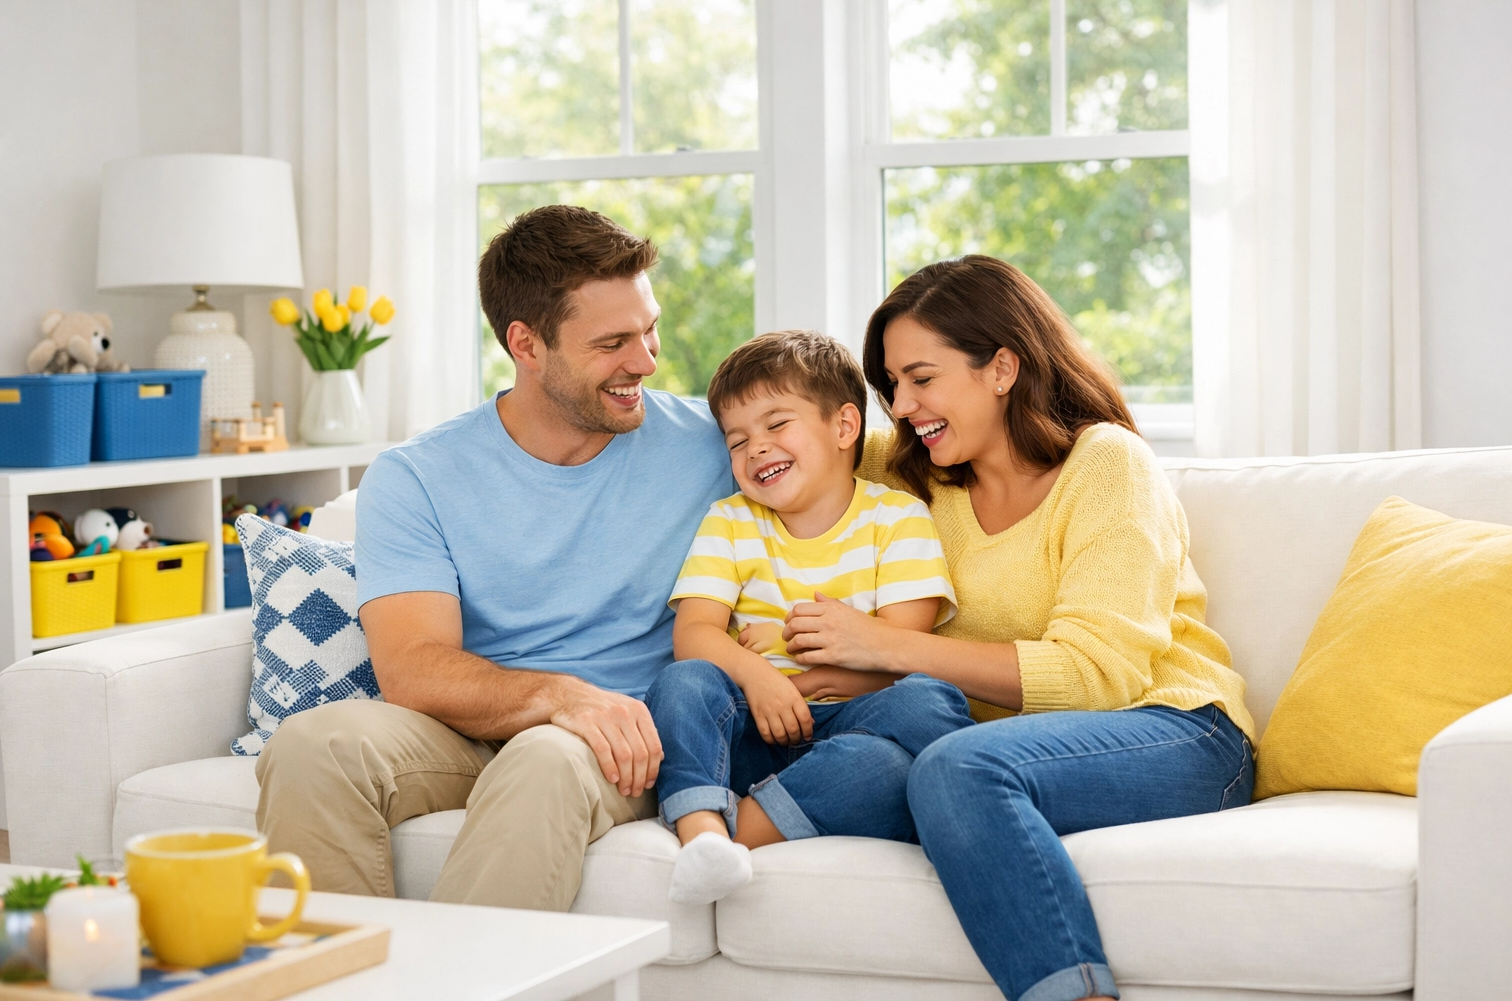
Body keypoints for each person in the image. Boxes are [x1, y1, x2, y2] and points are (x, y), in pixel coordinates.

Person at [778, 255, 1257, 1001]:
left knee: (957, 769)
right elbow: (775, 429)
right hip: (1006, 748)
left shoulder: (1107, 465)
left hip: (1178, 731)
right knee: (879, 763)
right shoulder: (906, 475)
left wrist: (886, 646)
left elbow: (1097, 677)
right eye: (891, 385)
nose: (901, 405)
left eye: (921, 378)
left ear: (1002, 367)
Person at [254, 205, 735, 910]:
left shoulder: (714, 446)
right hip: (469, 730)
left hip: (621, 735)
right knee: (311, 745)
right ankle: (334, 968)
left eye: (649, 329)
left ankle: (465, 970)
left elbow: (837, 465)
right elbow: (411, 667)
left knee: (547, 756)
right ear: (526, 344)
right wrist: (557, 696)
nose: (645, 360)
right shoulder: (418, 475)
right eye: (613, 342)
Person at [645, 330, 972, 905]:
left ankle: (738, 833)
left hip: (853, 724)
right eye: (737, 440)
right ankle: (701, 833)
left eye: (776, 424)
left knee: (926, 705)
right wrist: (759, 680)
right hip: (750, 727)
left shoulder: (898, 519)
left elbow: (903, 657)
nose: (756, 449)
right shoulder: (731, 521)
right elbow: (693, 634)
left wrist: (799, 680)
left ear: (844, 427)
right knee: (684, 682)